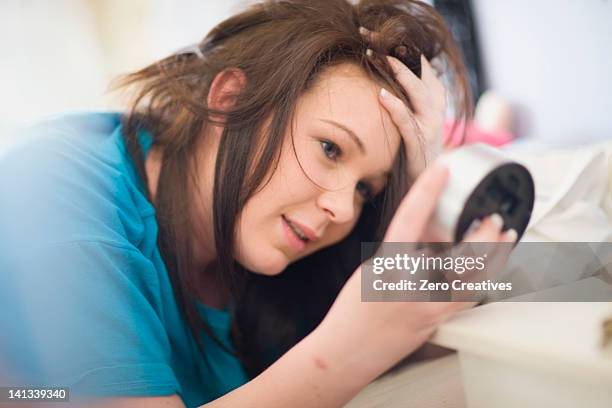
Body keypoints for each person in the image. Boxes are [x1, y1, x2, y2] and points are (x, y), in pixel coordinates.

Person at [0, 0, 515, 407]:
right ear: (230, 100)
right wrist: (337, 359)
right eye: (330, 148)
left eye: (366, 189)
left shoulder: (264, 246)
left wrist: (428, 198)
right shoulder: (60, 202)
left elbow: (428, 356)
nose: (342, 209)